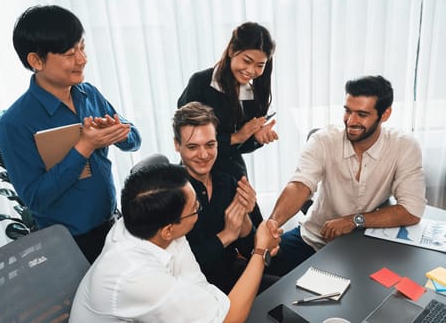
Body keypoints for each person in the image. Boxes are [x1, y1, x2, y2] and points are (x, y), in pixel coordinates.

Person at [0, 5, 141, 263]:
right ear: (36, 61)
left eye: (82, 48)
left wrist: (119, 134)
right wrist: (83, 147)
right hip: (69, 246)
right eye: (70, 53)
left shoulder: (89, 93)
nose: (82, 60)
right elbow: (36, 199)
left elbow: (134, 140)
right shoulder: (14, 124)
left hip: (113, 226)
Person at [69, 163, 281, 323]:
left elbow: (198, 284)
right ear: (168, 230)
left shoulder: (152, 224)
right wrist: (260, 250)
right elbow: (228, 319)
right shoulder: (134, 274)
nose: (199, 206)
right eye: (195, 209)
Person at [266, 75, 427, 276]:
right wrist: (271, 224)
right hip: (313, 239)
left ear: (385, 114)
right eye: (348, 111)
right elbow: (300, 185)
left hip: (364, 248)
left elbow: (411, 211)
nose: (351, 121)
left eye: (361, 114)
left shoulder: (405, 146)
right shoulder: (323, 140)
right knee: (260, 274)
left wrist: (354, 220)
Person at [177, 22, 278, 225]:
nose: (251, 71)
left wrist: (255, 139)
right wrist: (237, 137)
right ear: (232, 50)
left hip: (232, 171)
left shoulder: (253, 92)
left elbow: (239, 147)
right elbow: (187, 138)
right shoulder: (201, 83)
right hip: (198, 169)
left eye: (260, 65)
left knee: (254, 230)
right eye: (247, 61)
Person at [173, 101, 258, 294]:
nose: (204, 155)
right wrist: (226, 236)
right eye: (193, 147)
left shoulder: (227, 180)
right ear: (177, 145)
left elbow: (249, 250)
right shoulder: (169, 194)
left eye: (210, 145)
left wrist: (245, 216)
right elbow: (177, 268)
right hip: (196, 293)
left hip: (233, 278)